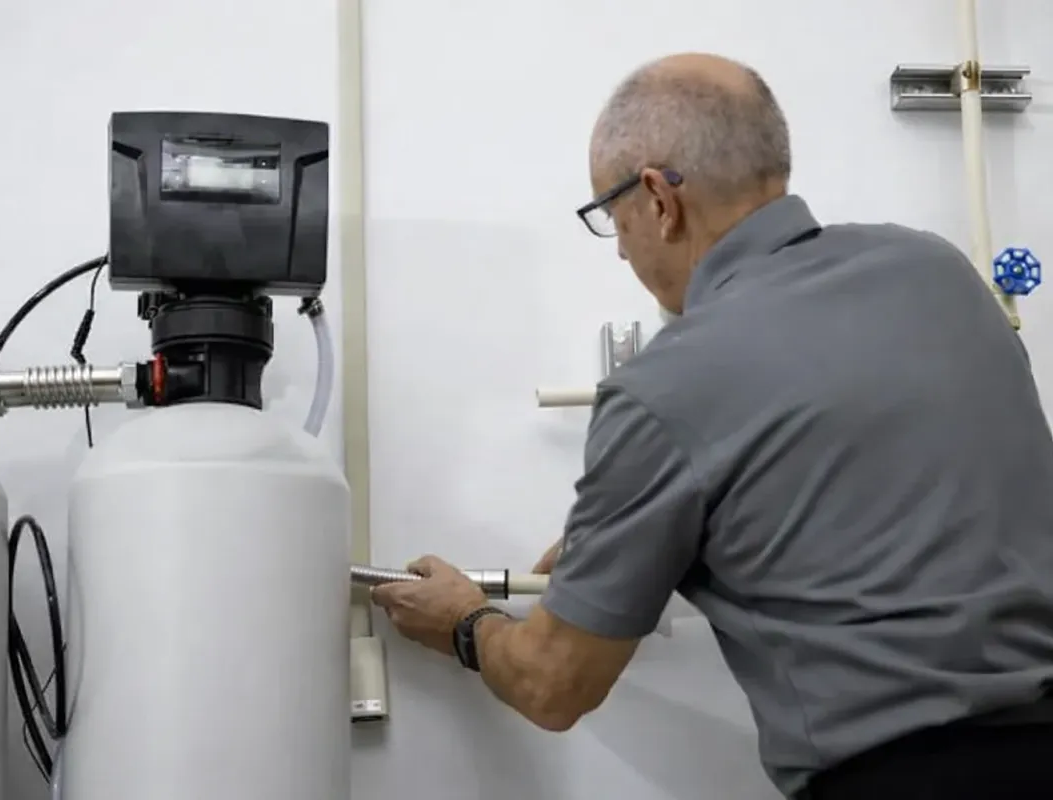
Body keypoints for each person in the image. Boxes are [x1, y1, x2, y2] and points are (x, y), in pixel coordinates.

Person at [370, 52, 1053, 799]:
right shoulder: (937, 271)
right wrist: (626, 539)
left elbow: (553, 684)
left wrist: (465, 623)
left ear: (659, 200)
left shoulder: (664, 389)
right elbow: (861, 471)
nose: (623, 247)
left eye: (611, 217)